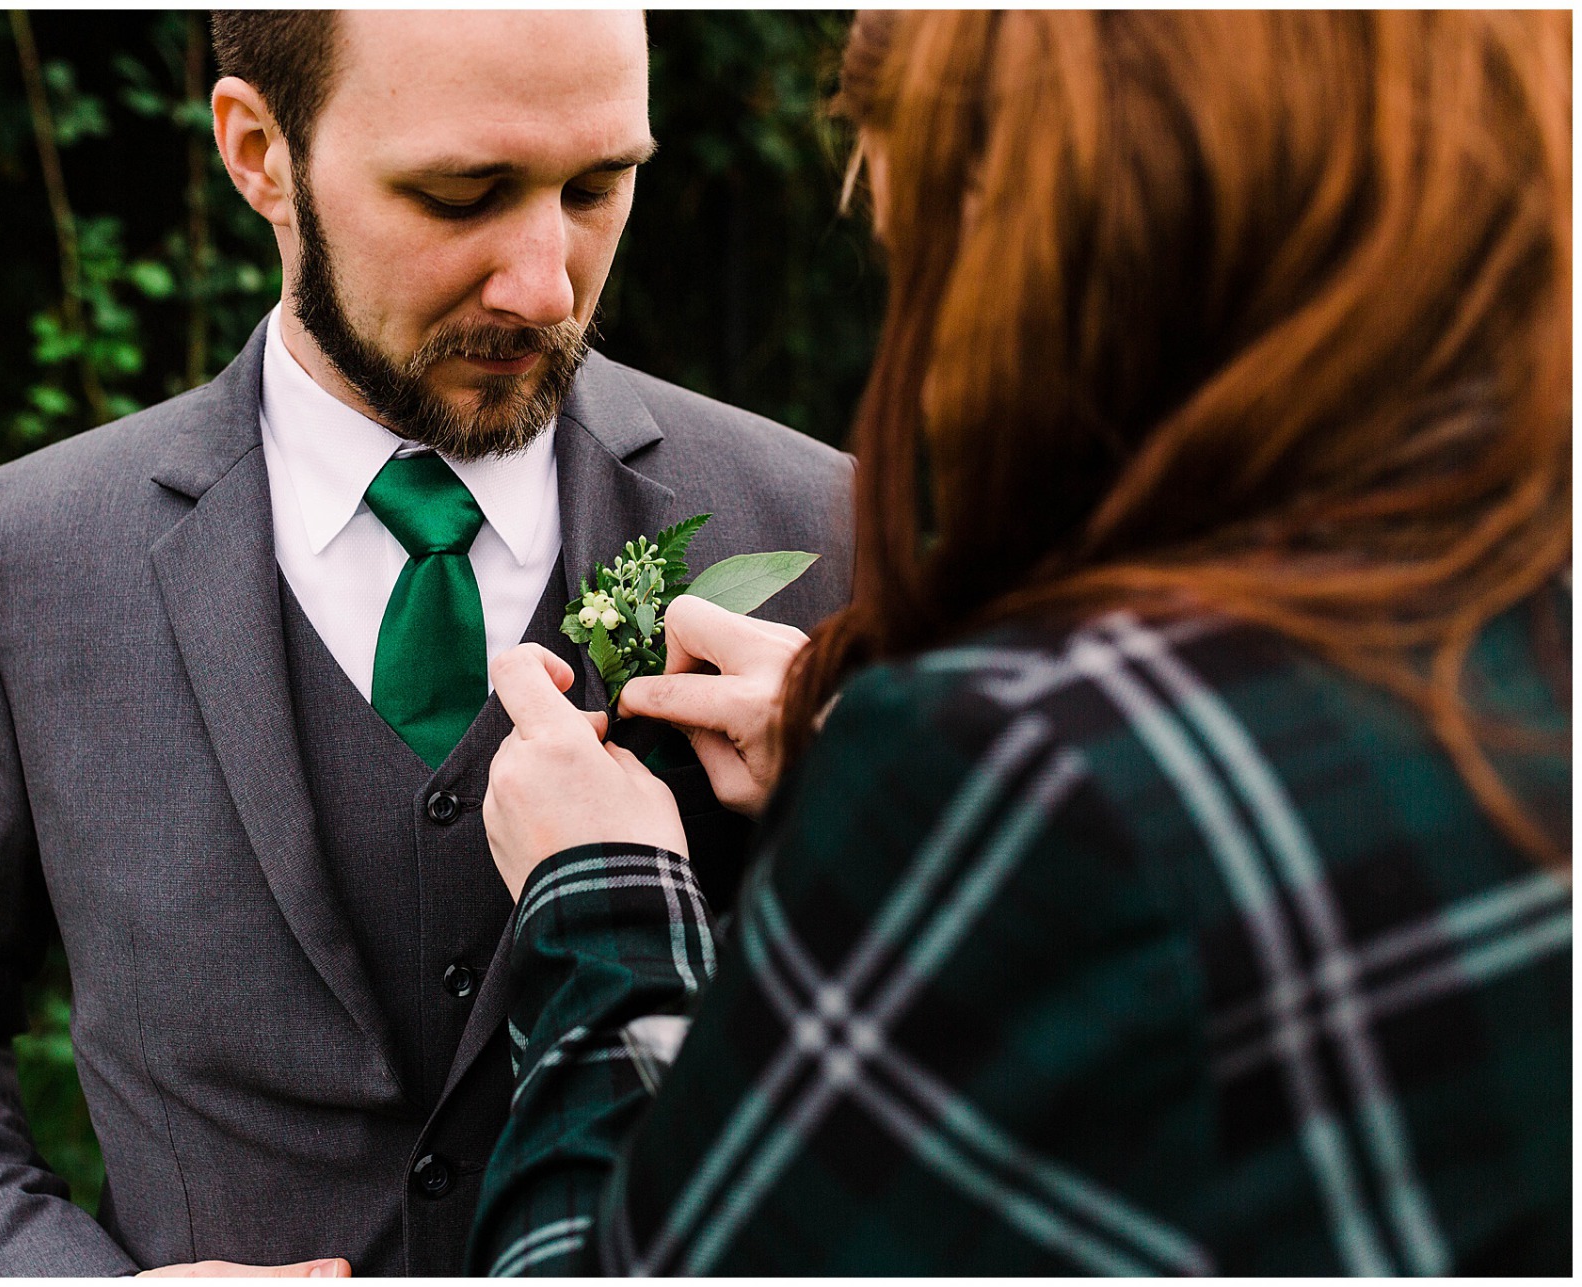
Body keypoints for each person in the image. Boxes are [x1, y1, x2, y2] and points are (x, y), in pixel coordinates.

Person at [470, 9, 1570, 1275]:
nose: (927, 364)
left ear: (1081, 251)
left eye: (932, 263)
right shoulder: (1526, 612)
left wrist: (601, 897)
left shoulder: (1029, 770)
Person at [0, 11, 853, 1277]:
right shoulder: (30, 555)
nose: (547, 285)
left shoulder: (821, 529)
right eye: (462, 194)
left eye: (595, 186)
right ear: (259, 153)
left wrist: (867, 824)